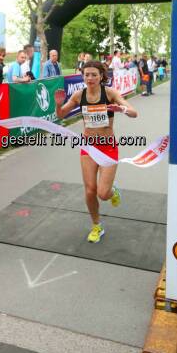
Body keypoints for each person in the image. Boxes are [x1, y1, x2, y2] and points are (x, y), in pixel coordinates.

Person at [54, 61, 137, 243]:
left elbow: (134, 112)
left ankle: (112, 192)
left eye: (94, 75)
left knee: (102, 193)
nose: (90, 78)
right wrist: (58, 105)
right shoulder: (78, 95)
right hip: (88, 146)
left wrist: (121, 108)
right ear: (82, 76)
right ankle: (96, 226)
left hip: (107, 146)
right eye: (86, 75)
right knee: (90, 190)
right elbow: (60, 115)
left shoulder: (110, 93)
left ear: (101, 76)